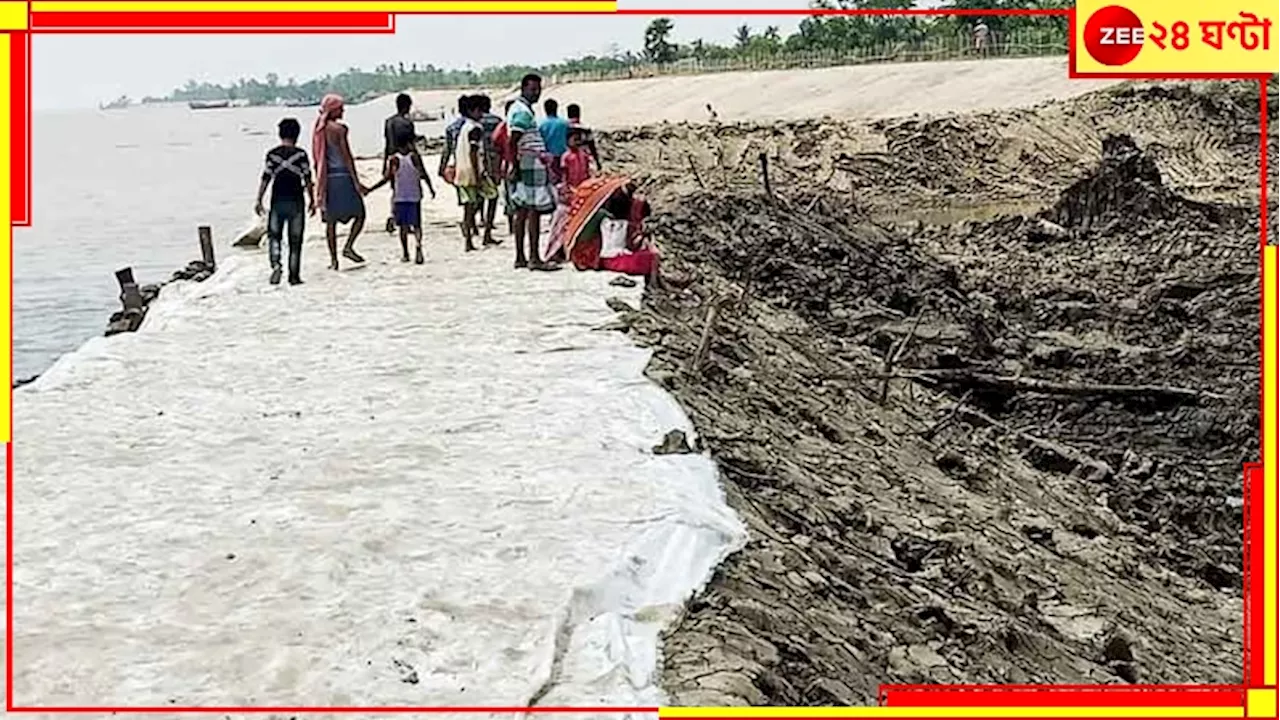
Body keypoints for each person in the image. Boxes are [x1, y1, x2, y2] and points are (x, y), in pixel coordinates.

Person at [555, 175, 664, 288]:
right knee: (652, 259)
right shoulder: (604, 218)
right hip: (603, 258)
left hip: (593, 258)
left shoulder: (581, 218)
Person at [254, 117, 315, 286]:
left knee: (274, 236)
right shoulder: (301, 154)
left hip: (277, 201)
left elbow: (266, 177)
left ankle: (276, 264)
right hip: (296, 201)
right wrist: (312, 200)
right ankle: (294, 276)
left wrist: (259, 199)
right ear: (297, 134)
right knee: (295, 240)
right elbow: (308, 178)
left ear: (280, 134)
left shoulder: (272, 154)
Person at [507, 74, 558, 270]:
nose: (536, 93)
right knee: (534, 210)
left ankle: (521, 256)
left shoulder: (519, 109)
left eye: (538, 90)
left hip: (526, 160)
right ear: (523, 89)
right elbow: (513, 139)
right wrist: (515, 165)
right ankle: (534, 258)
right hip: (529, 161)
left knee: (522, 210)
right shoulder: (523, 112)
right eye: (533, 89)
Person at [313, 94, 369, 270]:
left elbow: (318, 157)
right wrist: (357, 181)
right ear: (333, 110)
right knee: (360, 214)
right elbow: (347, 157)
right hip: (343, 176)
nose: (343, 110)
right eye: (341, 108)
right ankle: (348, 246)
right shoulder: (339, 129)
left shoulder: (319, 128)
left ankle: (334, 260)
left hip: (328, 178)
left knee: (331, 222)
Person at [366, 130, 436, 264]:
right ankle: (418, 246)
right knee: (417, 225)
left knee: (403, 227)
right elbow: (423, 173)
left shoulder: (394, 159)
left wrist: (371, 189)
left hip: (400, 196)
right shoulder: (414, 157)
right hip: (415, 195)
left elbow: (387, 178)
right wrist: (430, 187)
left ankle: (405, 253)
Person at [454, 99, 494, 252]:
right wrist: (477, 173)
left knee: (468, 206)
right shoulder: (475, 128)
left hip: (462, 170)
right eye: (478, 111)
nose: (481, 114)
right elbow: (473, 152)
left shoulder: (464, 127)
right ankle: (487, 234)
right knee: (492, 196)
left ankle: (468, 240)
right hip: (473, 170)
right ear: (472, 111)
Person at [383, 93, 418, 234]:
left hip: (391, 158)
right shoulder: (407, 123)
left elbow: (387, 143)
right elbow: (411, 144)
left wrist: (384, 163)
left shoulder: (388, 122)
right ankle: (402, 220)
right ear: (407, 106)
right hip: (404, 159)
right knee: (407, 191)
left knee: (396, 191)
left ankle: (394, 215)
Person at [477, 95, 504, 246]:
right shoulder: (497, 121)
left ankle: (473, 223)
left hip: (479, 162)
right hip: (494, 163)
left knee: (478, 196)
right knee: (493, 198)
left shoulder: (476, 123)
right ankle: (487, 230)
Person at [491, 99, 519, 238]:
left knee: (513, 196)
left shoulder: (504, 127)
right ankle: (512, 226)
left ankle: (514, 226)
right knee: (511, 197)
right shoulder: (504, 128)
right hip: (509, 166)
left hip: (512, 165)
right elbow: (497, 151)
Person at [566, 103, 602, 172]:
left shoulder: (565, 127)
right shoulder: (586, 128)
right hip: (585, 158)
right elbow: (592, 145)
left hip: (570, 159)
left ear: (568, 114)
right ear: (579, 114)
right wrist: (597, 161)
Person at [539, 98, 571, 165]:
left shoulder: (541, 124)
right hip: (564, 155)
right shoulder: (564, 123)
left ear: (545, 109)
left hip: (549, 157)